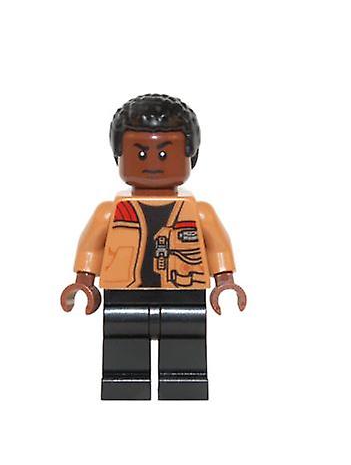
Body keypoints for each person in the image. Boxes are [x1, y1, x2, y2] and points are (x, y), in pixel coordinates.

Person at [61, 94, 246, 400]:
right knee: (123, 340)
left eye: (164, 154)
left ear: (190, 156)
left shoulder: (199, 212)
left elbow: (217, 248)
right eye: (140, 153)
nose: (152, 164)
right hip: (123, 295)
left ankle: (184, 384)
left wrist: (225, 281)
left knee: (186, 340)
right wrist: (84, 282)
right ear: (119, 156)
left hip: (185, 294)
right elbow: (91, 246)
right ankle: (124, 384)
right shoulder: (110, 212)